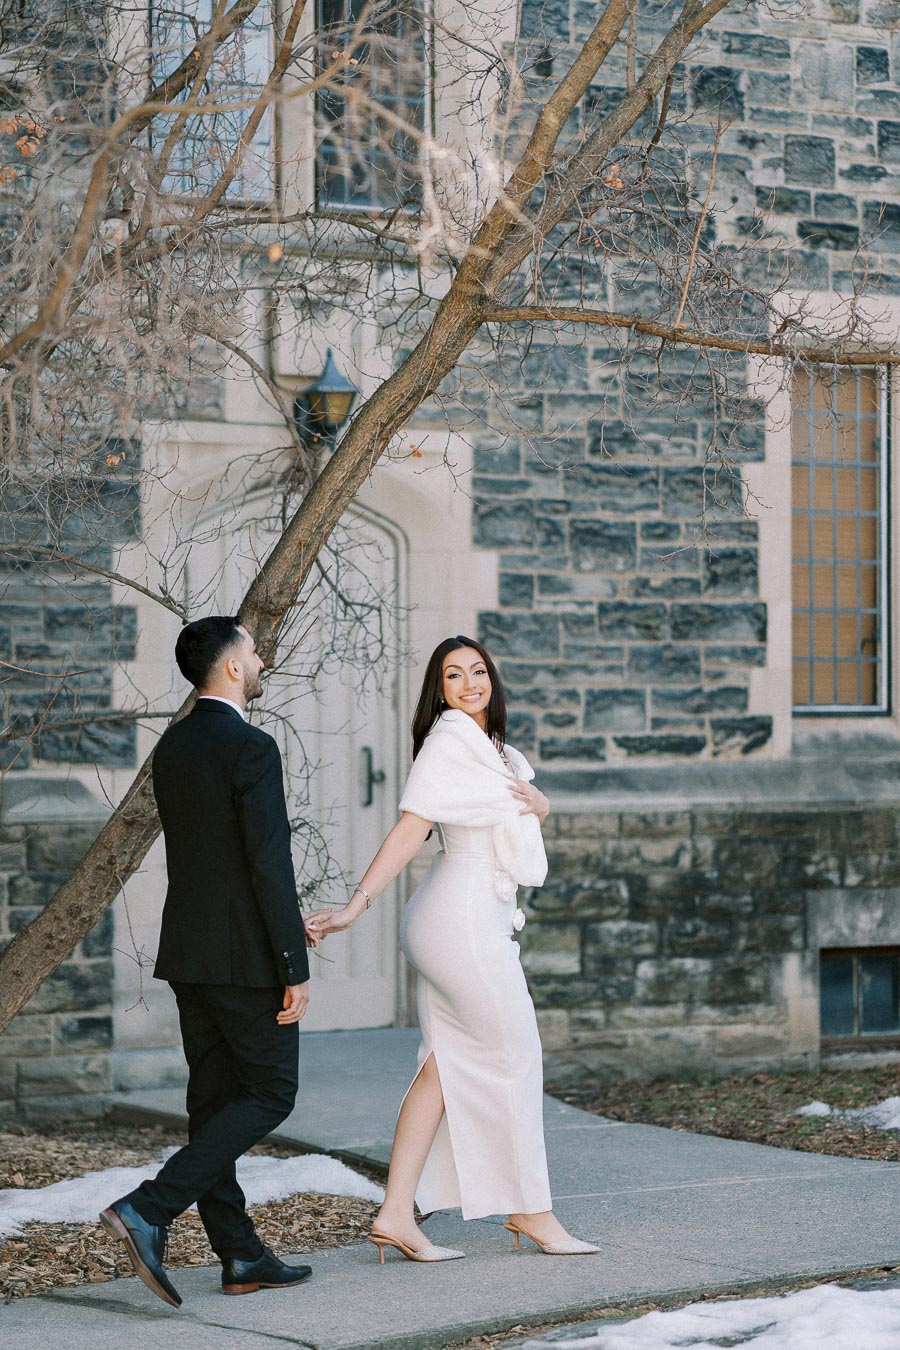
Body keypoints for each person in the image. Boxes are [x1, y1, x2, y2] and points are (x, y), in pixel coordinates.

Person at [307, 636, 599, 1261]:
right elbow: (412, 826)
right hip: (460, 917)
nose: (469, 683)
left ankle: (395, 1215)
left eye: (478, 671)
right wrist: (355, 907)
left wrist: (541, 803)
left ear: (493, 677)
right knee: (515, 1053)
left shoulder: (493, 751)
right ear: (438, 690)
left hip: (466, 912)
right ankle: (530, 1211)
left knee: (443, 1068)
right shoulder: (449, 743)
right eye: (452, 675)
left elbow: (510, 810)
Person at [100, 616, 322, 1306]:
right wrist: (294, 962)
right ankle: (149, 1207)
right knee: (270, 1093)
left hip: (191, 952)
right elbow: (266, 862)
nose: (260, 662)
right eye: (253, 653)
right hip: (245, 960)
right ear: (230, 668)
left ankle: (240, 1255)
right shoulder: (251, 747)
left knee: (214, 1101)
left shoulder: (173, 746)